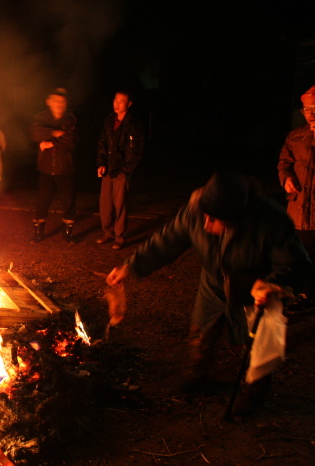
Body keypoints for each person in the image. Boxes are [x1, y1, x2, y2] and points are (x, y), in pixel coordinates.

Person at [105, 171, 314, 417]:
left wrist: (272, 283)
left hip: (255, 287)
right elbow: (168, 239)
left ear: (235, 216)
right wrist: (132, 265)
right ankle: (198, 373)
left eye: (214, 220)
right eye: (204, 216)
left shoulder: (271, 221)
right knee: (202, 328)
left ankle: (256, 388)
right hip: (214, 282)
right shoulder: (198, 208)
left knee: (257, 342)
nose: (205, 224)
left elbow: (298, 265)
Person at [96, 90, 144, 250]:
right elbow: (103, 143)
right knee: (105, 204)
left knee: (120, 204)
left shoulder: (133, 124)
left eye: (121, 101)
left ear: (129, 104)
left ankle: (120, 237)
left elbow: (134, 151)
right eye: (115, 99)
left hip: (122, 170)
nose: (117, 104)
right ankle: (108, 233)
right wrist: (101, 163)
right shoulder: (110, 120)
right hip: (109, 168)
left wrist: (125, 170)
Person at [30, 88, 77, 243]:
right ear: (49, 102)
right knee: (43, 201)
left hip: (65, 168)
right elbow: (36, 133)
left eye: (62, 101)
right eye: (56, 100)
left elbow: (70, 140)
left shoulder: (70, 119)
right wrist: (56, 132)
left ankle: (68, 233)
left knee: (68, 201)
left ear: (66, 104)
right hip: (45, 168)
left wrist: (50, 142)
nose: (59, 104)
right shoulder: (41, 117)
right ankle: (38, 232)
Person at [277, 84, 315, 267]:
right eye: (306, 109)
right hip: (298, 213)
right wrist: (286, 178)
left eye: (314, 108)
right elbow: (285, 162)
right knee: (300, 261)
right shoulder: (296, 136)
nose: (310, 114)